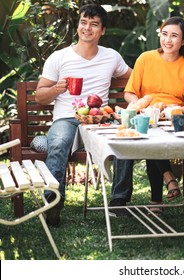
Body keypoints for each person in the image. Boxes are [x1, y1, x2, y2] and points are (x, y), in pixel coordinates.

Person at [35, 4, 131, 226]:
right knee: (57, 144)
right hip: (66, 118)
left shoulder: (112, 57)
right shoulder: (59, 57)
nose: (87, 28)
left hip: (100, 118)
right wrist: (56, 89)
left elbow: (135, 78)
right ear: (78, 25)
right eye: (83, 22)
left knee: (124, 138)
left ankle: (119, 201)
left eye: (94, 24)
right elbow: (40, 97)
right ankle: (53, 203)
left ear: (102, 30)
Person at [110, 16, 184, 216]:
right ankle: (167, 179)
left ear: (183, 41)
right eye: (164, 34)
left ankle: (158, 197)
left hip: (172, 121)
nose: (168, 40)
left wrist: (172, 110)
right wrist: (138, 105)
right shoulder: (146, 58)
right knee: (146, 131)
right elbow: (130, 92)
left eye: (174, 36)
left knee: (152, 136)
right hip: (144, 114)